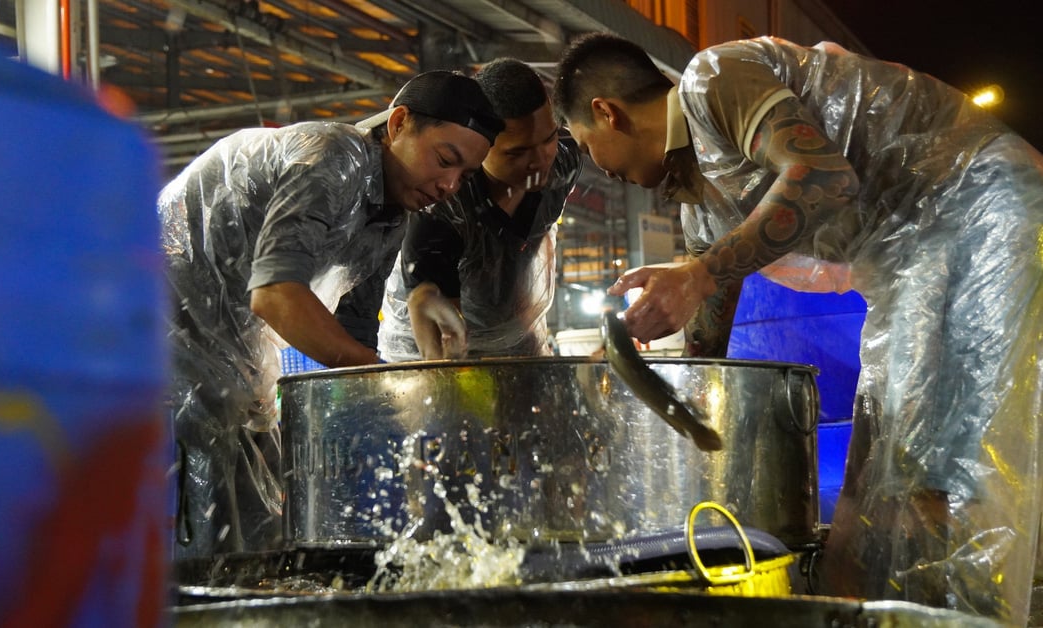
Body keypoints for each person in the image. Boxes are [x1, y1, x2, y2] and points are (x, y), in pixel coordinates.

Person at [553, 32, 1043, 623]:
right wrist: (652, 381)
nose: (601, 170)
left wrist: (700, 273)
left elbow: (820, 177)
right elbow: (708, 341)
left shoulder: (713, 80)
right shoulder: (702, 199)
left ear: (607, 113)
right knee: (880, 476)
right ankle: (905, 611)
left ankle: (963, 612)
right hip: (909, 260)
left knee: (936, 470)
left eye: (586, 145)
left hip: (976, 208)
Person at [157, 70, 503, 579]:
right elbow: (276, 295)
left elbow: (357, 327)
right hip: (156, 341)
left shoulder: (390, 220)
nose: (450, 185)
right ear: (400, 123)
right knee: (188, 531)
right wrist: (389, 383)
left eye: (465, 175)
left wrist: (393, 407)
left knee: (255, 534)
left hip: (232, 361)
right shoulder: (332, 156)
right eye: (446, 160)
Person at [378, 58, 583, 361]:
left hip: (519, 344)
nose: (541, 160)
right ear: (480, 146)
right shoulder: (443, 208)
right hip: (429, 354)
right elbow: (434, 306)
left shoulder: (565, 161)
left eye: (549, 138)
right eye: (517, 152)